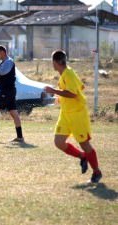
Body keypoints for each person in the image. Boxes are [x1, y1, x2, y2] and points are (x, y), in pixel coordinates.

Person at [44, 50, 102, 183]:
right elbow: (77, 89)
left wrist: (54, 91)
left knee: (85, 144)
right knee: (58, 142)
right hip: (66, 114)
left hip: (77, 115)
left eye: (52, 61)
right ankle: (82, 157)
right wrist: (58, 97)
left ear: (56, 62)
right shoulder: (65, 74)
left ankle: (97, 172)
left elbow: (73, 94)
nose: (52, 64)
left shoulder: (68, 74)